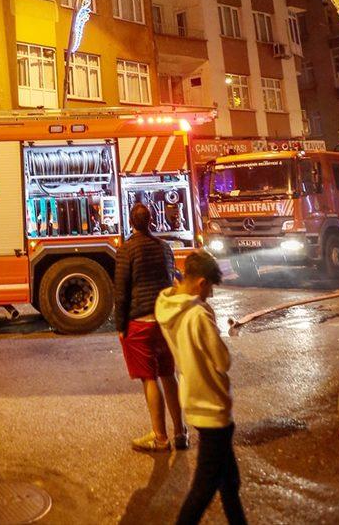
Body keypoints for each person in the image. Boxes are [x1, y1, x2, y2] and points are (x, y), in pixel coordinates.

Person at [155, 250, 247, 525]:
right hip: (212, 405)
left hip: (194, 396)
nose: (211, 295)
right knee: (204, 488)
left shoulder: (167, 308)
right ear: (201, 283)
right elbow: (222, 360)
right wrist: (220, 326)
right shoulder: (198, 314)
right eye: (211, 288)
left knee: (229, 481)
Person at [114, 201, 188, 453]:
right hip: (164, 322)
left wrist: (120, 325)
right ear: (152, 221)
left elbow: (121, 291)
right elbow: (170, 279)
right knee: (169, 375)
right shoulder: (165, 248)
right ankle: (181, 433)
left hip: (141, 323)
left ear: (131, 222)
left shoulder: (127, 251)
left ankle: (160, 437)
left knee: (149, 378)